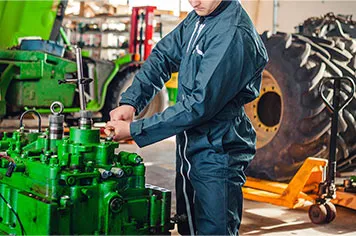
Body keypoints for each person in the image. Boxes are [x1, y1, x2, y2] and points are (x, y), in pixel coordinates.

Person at [105, 0, 268, 235]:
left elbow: (199, 105)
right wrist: (132, 101)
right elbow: (164, 56)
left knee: (214, 230)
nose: (193, 1)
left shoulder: (232, 33)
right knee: (189, 226)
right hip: (191, 145)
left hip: (218, 150)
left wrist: (136, 130)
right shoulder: (200, 17)